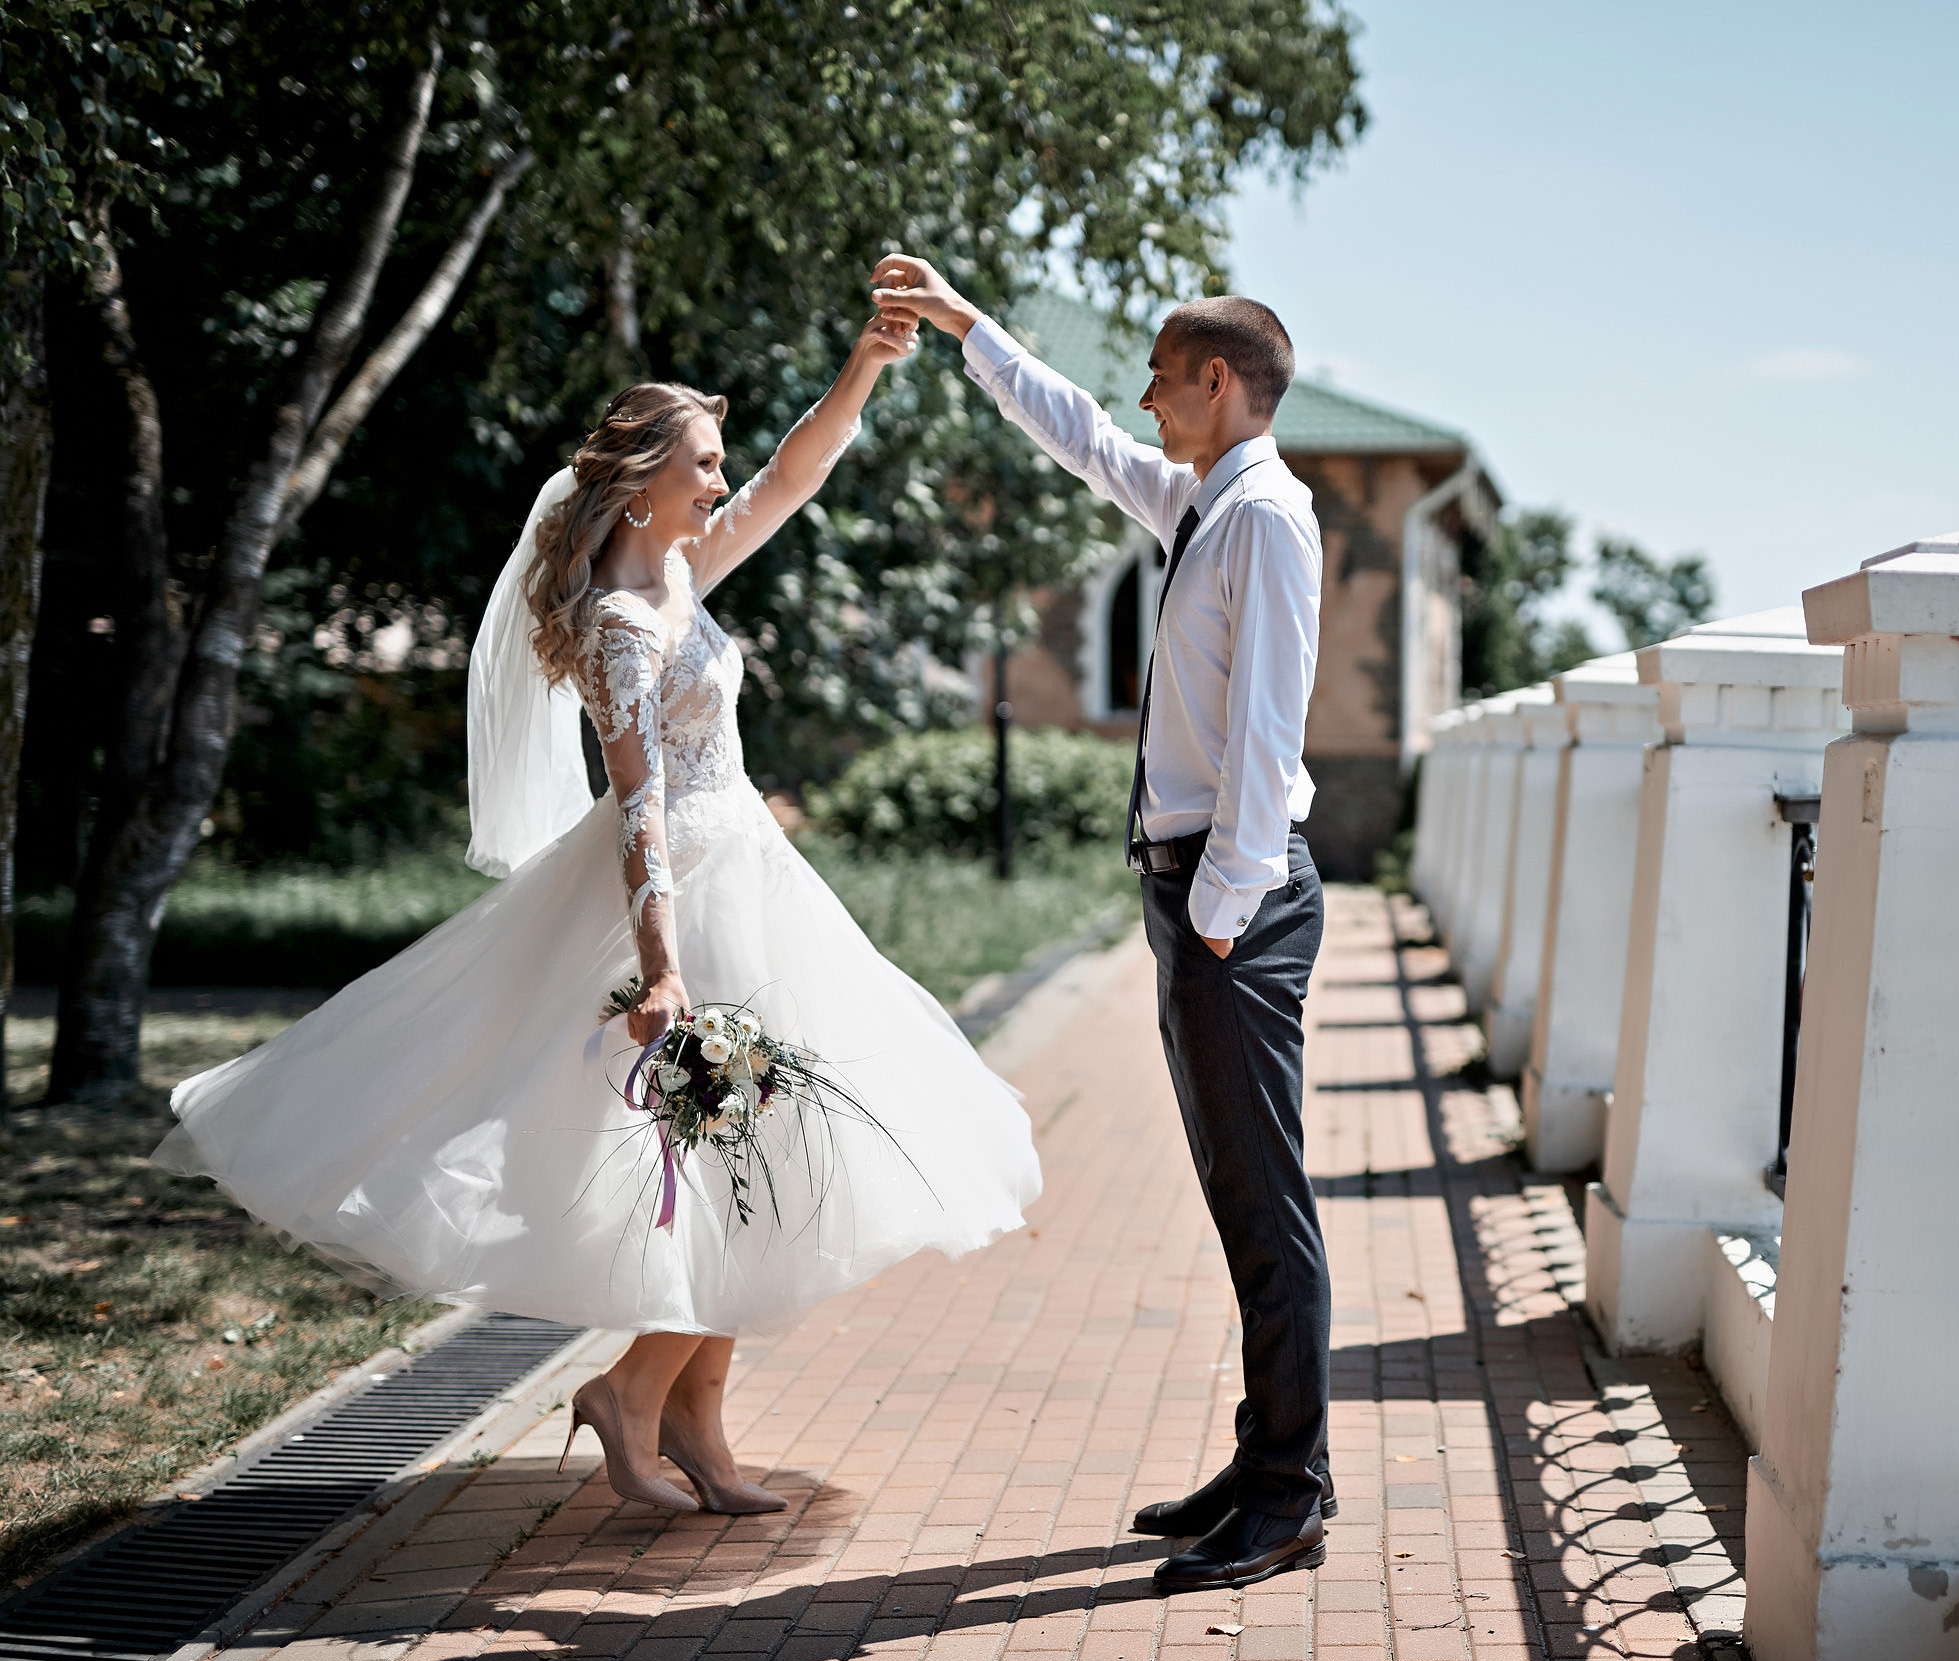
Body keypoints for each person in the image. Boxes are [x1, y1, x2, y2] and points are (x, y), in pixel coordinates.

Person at [155, 306, 1042, 1517]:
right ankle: (632, 1396)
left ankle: (690, 1417)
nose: (720, 483)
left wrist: (863, 366)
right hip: (689, 905)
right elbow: (638, 809)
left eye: (718, 467)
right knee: (740, 1153)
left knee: (766, 1156)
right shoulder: (621, 626)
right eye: (702, 466)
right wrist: (662, 967)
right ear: (640, 486)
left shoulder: (683, 570)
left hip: (756, 879)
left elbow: (794, 475)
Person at [872, 254, 1331, 1592]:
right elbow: (1080, 433)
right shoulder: (1203, 500)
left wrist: (1223, 912)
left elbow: (1268, 731)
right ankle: (1267, 1456)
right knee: (1241, 1192)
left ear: (1218, 381)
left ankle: (1289, 1493)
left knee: (1266, 1200)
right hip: (1197, 891)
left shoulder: (1268, 520)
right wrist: (966, 325)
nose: (1145, 398)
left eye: (1161, 377)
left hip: (1233, 901)